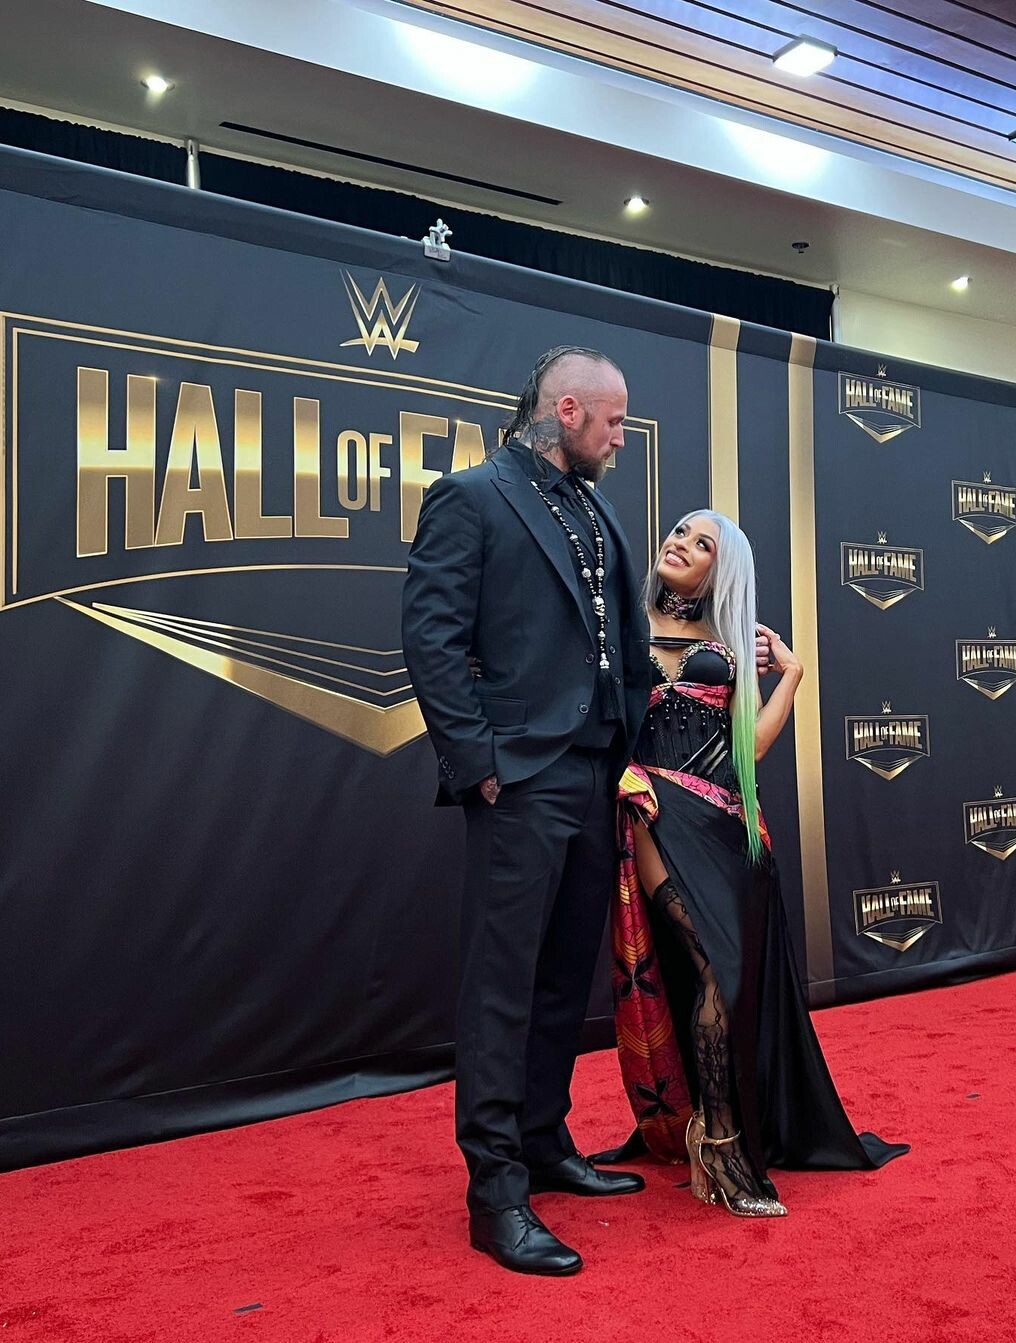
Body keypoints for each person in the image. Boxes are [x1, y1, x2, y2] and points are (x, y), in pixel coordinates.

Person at [401, 346, 657, 1276]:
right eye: (614, 422)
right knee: (501, 985)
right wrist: (481, 765)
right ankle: (495, 1191)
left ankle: (545, 1141)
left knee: (562, 979)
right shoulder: (471, 496)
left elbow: (620, 640)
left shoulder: (595, 506)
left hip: (595, 772)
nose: (621, 440)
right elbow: (430, 636)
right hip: (521, 779)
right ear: (569, 410)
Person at [597, 510, 908, 1215]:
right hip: (652, 811)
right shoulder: (621, 626)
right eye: (680, 532)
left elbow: (752, 748)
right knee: (711, 963)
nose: (681, 543)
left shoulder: (729, 647)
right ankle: (721, 1144)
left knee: (732, 978)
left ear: (722, 569)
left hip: (729, 827)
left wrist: (792, 674)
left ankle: (723, 1136)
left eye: (702, 543)